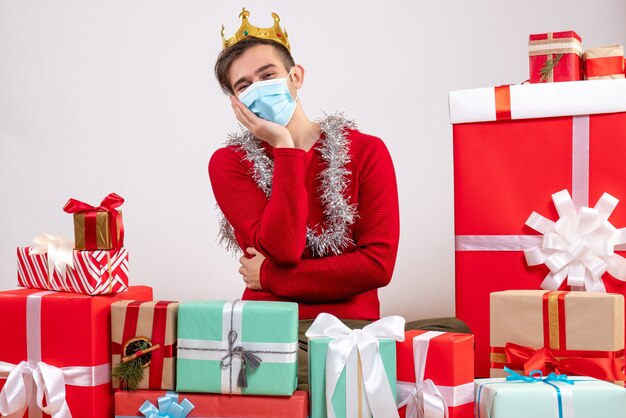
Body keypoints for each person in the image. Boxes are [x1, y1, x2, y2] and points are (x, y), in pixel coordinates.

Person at [209, 8, 469, 390]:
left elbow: (377, 266)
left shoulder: (366, 151)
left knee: (453, 334)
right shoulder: (230, 164)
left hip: (353, 329)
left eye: (268, 75)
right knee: (291, 371)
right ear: (237, 102)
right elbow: (283, 247)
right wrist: (285, 147)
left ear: (295, 77)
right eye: (245, 85)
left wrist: (268, 276)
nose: (259, 88)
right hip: (274, 330)